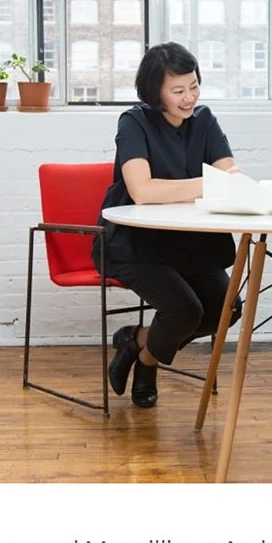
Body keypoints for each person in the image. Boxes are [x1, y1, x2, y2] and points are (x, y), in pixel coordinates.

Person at [93, 41, 243, 409]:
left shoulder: (204, 121)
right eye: (178, 91)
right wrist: (210, 185)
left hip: (187, 243)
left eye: (193, 86)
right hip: (134, 243)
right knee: (184, 310)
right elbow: (141, 190)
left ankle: (140, 347)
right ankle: (148, 367)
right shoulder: (134, 122)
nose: (189, 97)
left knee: (228, 309)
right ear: (155, 92)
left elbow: (232, 173)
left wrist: (233, 182)